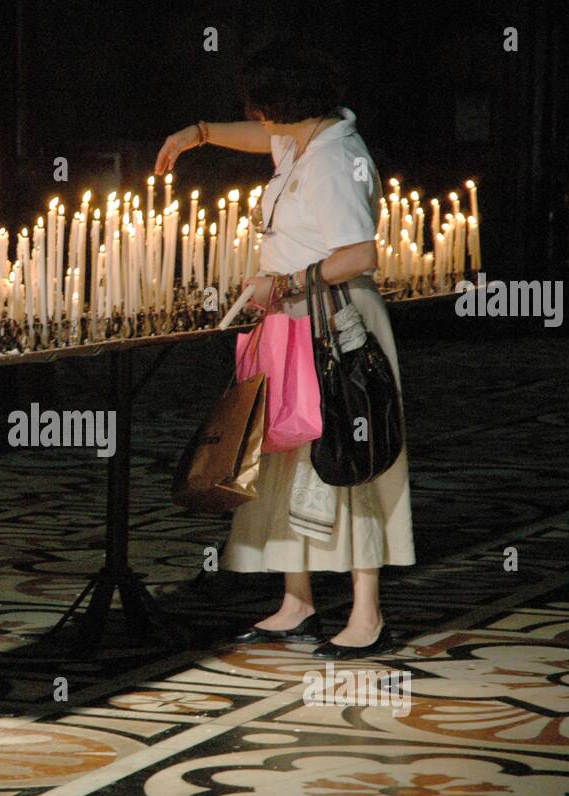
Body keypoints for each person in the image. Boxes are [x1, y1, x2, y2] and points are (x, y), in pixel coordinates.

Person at [155, 46, 414, 660]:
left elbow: (360, 255)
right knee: (284, 461)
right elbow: (259, 139)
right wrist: (198, 135)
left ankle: (366, 612)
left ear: (284, 106)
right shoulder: (303, 140)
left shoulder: (334, 159)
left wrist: (289, 284)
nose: (258, 117)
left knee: (346, 459)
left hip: (335, 324)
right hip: (290, 321)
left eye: (263, 107)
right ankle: (297, 599)